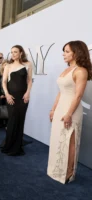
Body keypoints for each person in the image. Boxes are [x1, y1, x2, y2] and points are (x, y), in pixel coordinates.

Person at [47, 41, 92, 184]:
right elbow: (60, 93)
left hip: (71, 110)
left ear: (76, 52)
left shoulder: (81, 71)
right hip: (61, 108)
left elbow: (78, 96)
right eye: (64, 51)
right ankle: (56, 169)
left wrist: (68, 114)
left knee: (69, 140)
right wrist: (53, 109)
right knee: (58, 139)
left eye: (67, 51)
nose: (63, 54)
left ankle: (68, 173)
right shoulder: (66, 70)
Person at [0, 45, 33, 156]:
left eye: (15, 52)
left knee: (20, 120)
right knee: (12, 120)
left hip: (23, 97)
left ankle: (17, 146)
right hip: (12, 97)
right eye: (11, 52)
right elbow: (4, 82)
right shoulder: (8, 66)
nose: (13, 54)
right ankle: (9, 145)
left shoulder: (27, 65)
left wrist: (28, 93)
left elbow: (29, 81)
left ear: (21, 53)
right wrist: (7, 95)